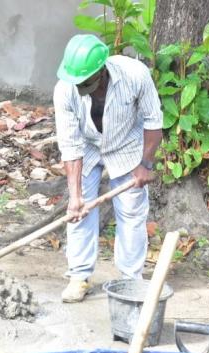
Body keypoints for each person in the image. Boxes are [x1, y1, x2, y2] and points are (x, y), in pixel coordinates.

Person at [54, 34, 163, 303]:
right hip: (88, 147)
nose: (79, 86)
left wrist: (145, 164)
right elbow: (70, 146)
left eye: (86, 82)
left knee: (131, 212)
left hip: (127, 143)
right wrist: (76, 195)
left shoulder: (134, 75)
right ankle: (79, 276)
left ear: (102, 71)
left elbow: (153, 121)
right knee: (79, 212)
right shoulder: (65, 90)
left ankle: (130, 280)